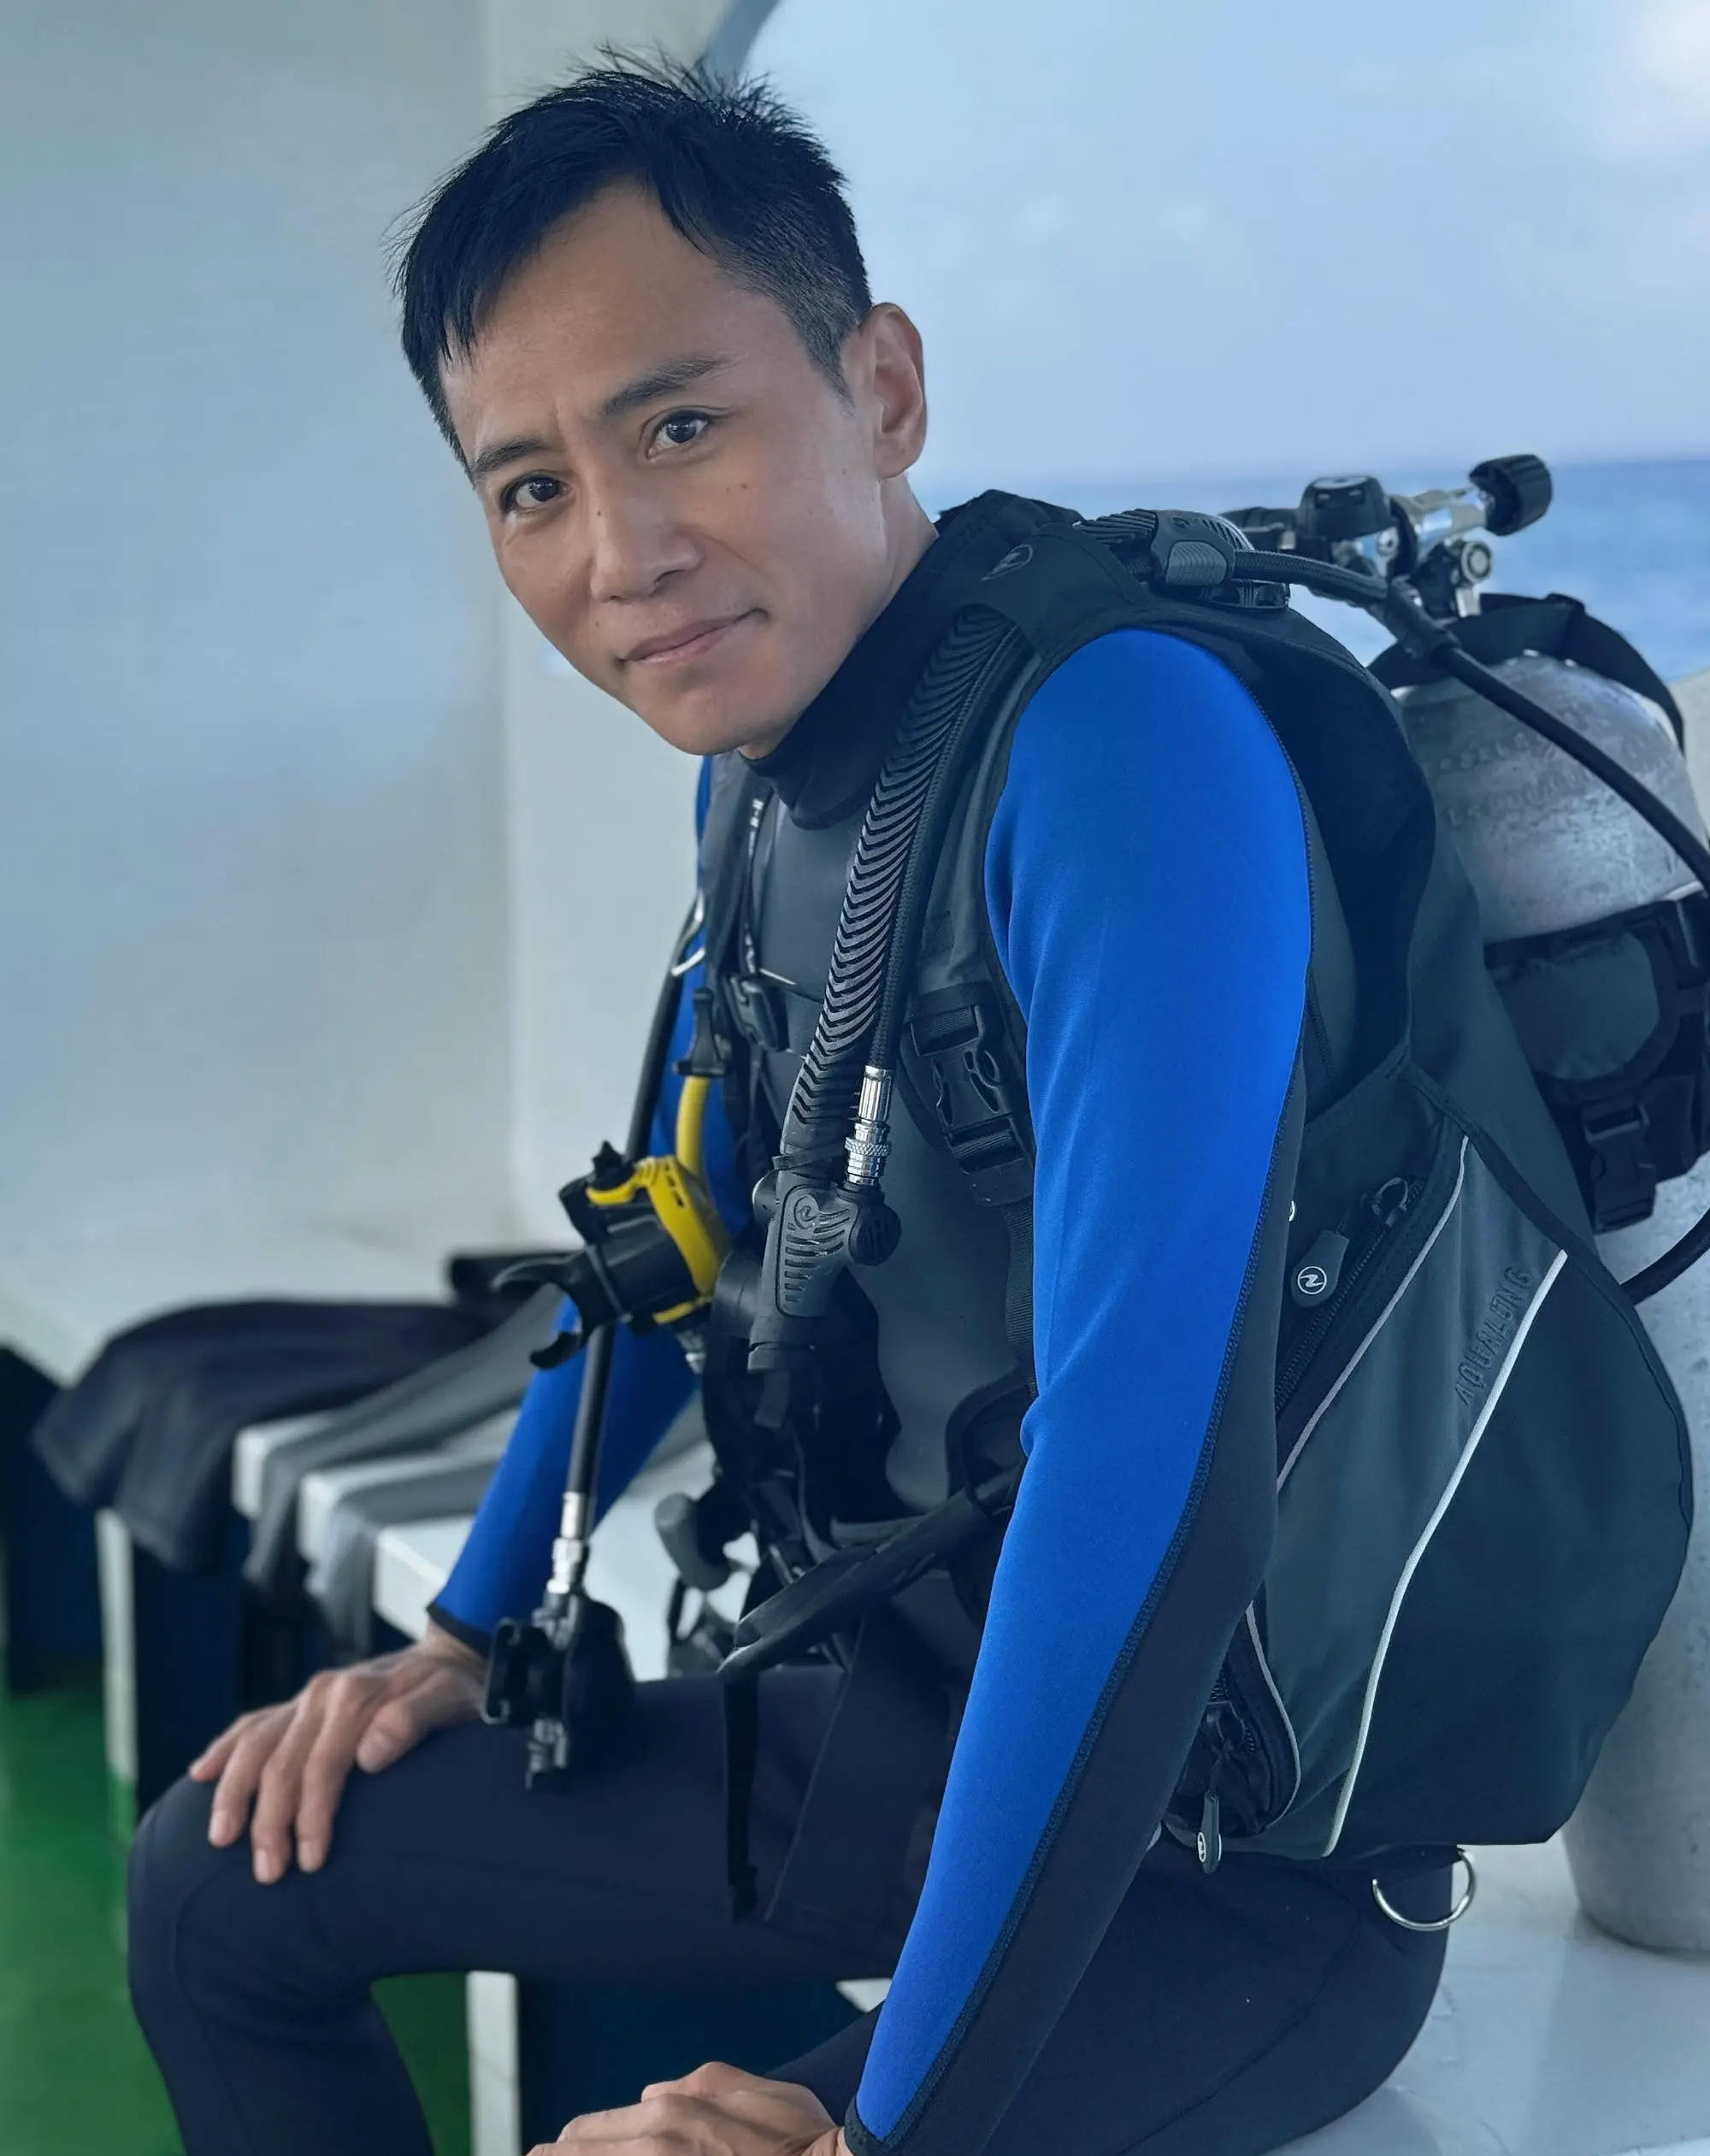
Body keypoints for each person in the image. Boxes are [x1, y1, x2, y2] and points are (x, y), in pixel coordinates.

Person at [127, 62, 1451, 2156]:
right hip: (912, 1724)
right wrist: (468, 1632)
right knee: (220, 1880)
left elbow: (1147, 1491)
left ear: (882, 388)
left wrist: (882, 2130)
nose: (623, 553)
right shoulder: (758, 778)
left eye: (680, 426)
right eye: (531, 487)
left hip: (1232, 1860)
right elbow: (677, 1234)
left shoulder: (1121, 745)